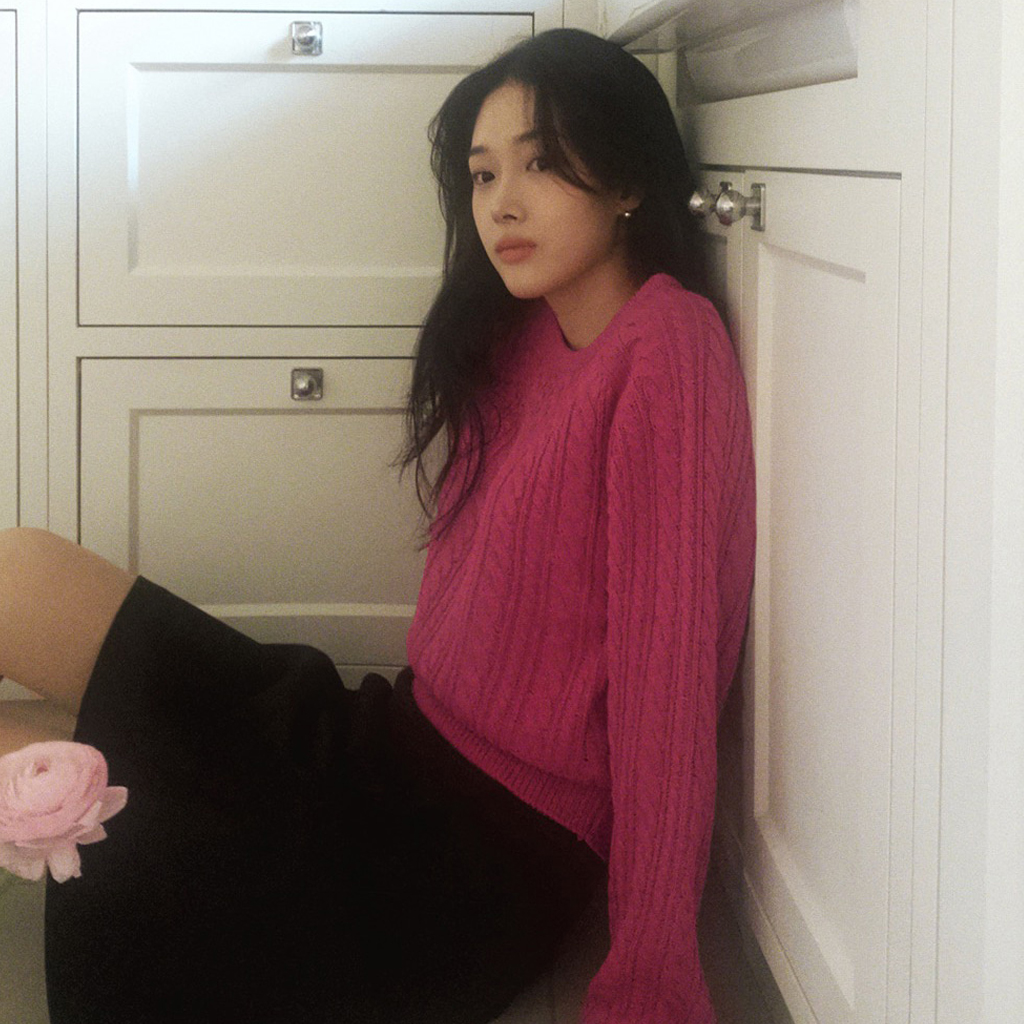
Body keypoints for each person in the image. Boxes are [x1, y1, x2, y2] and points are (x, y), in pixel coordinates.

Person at [0, 28, 754, 1024]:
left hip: (466, 857)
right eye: (483, 174)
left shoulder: (667, 344)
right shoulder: (527, 328)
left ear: (625, 179)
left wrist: (650, 977)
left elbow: (669, 685)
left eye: (539, 163)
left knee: (74, 782)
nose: (502, 203)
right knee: (20, 579)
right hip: (389, 747)